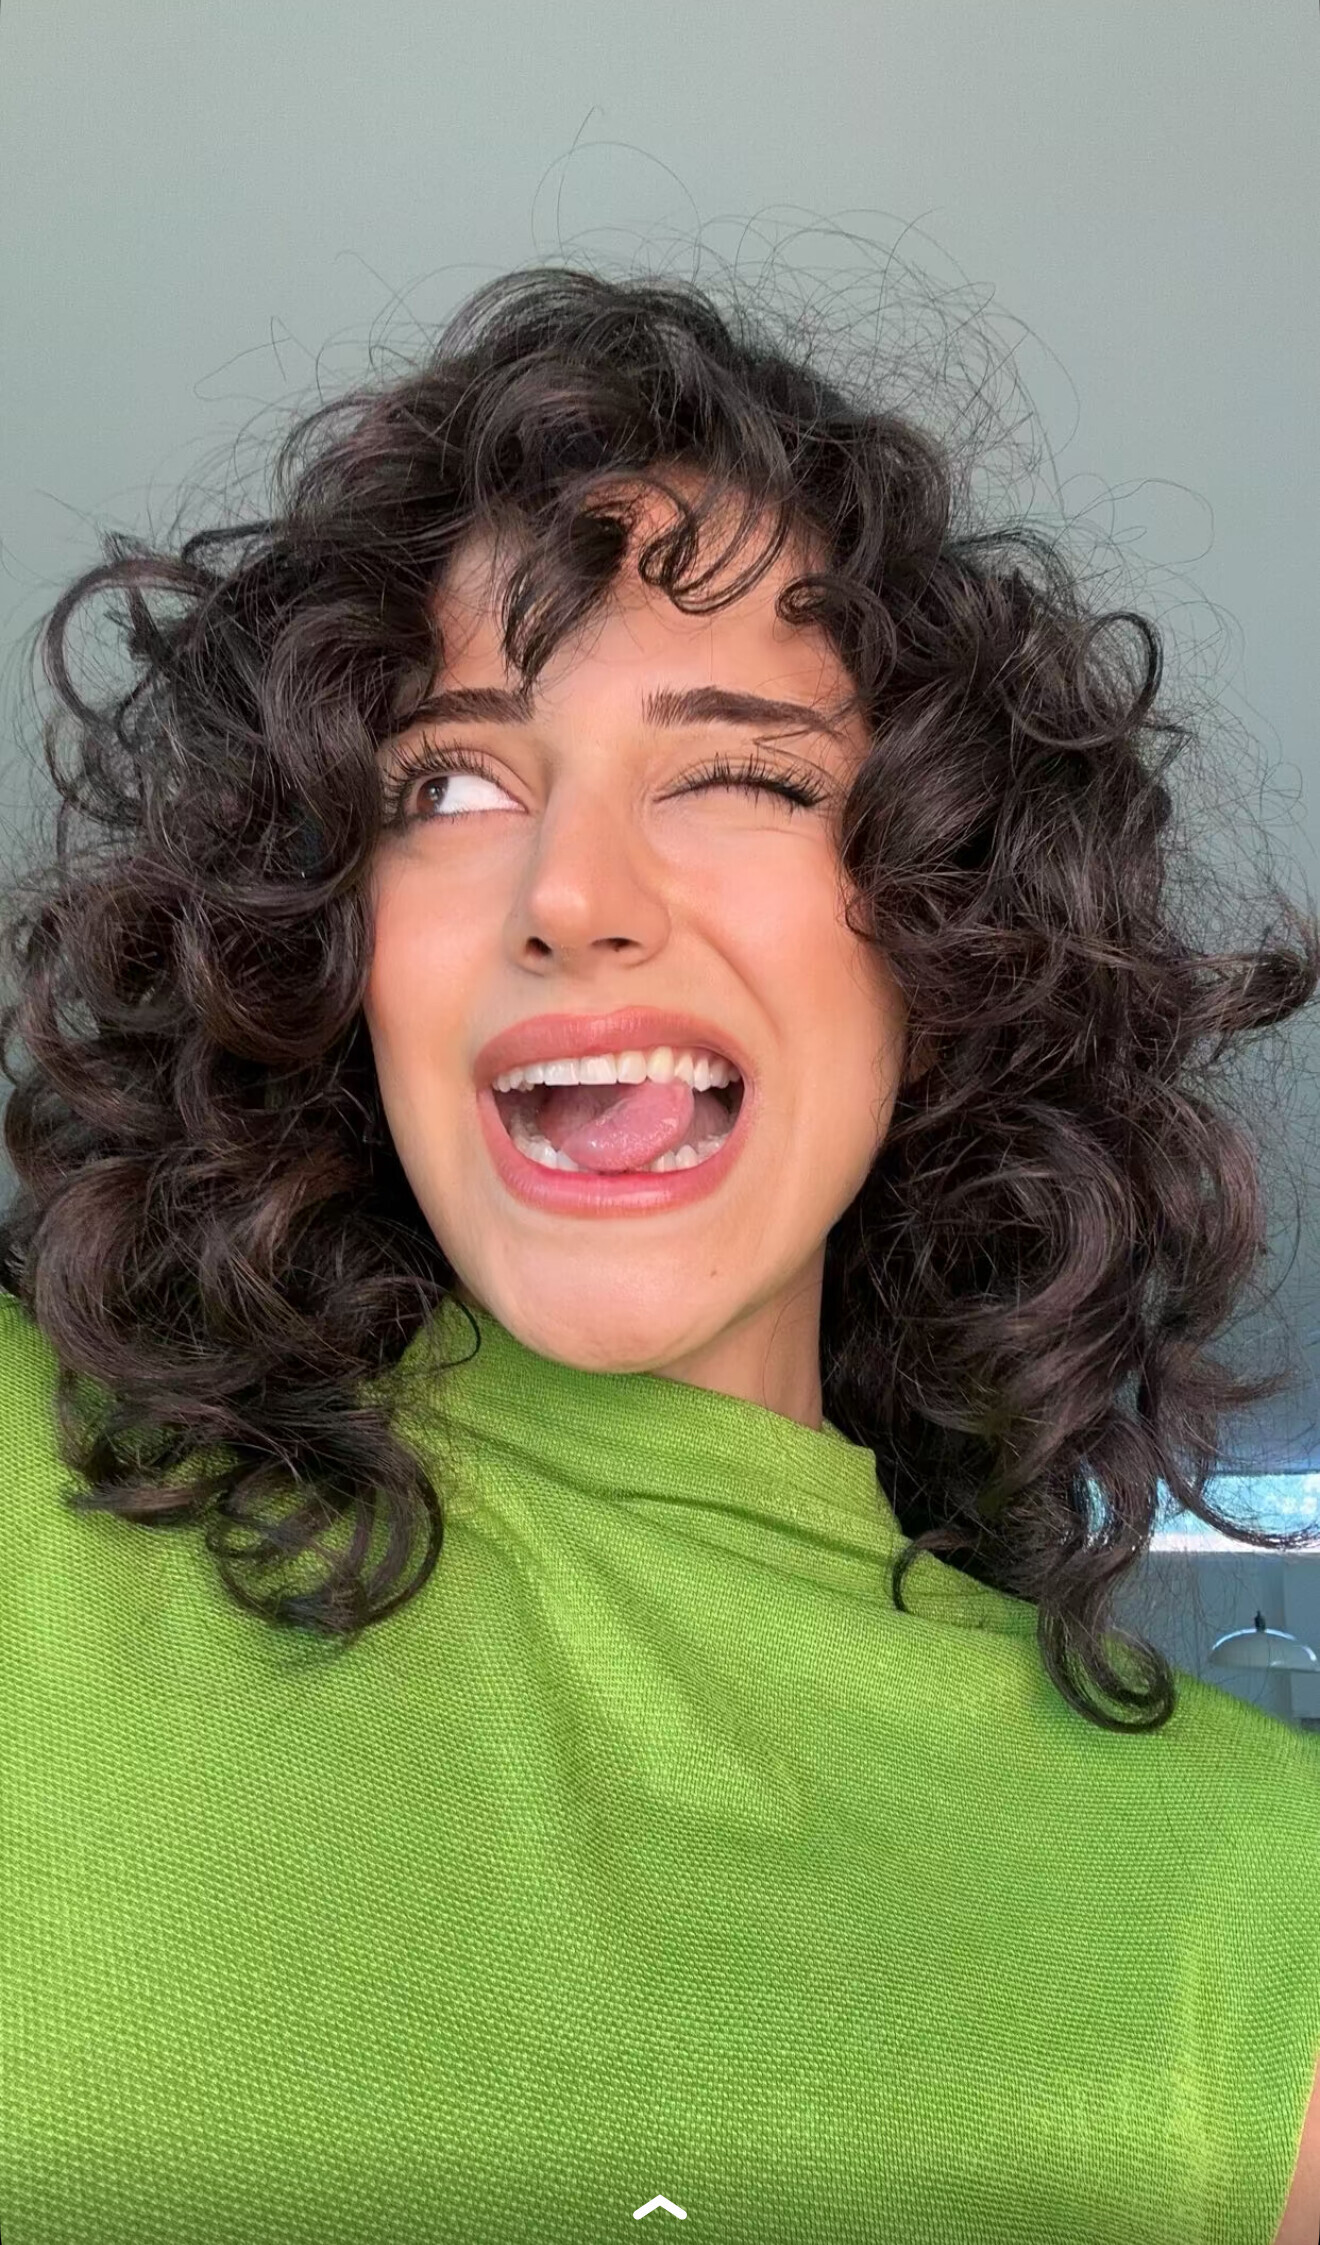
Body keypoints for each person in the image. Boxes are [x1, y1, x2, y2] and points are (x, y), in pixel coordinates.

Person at [1, 264, 1318, 2243]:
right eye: (449, 783)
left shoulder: (1253, 1913)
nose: (574, 895)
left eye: (738, 772)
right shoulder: (32, 1503)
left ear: (938, 936)